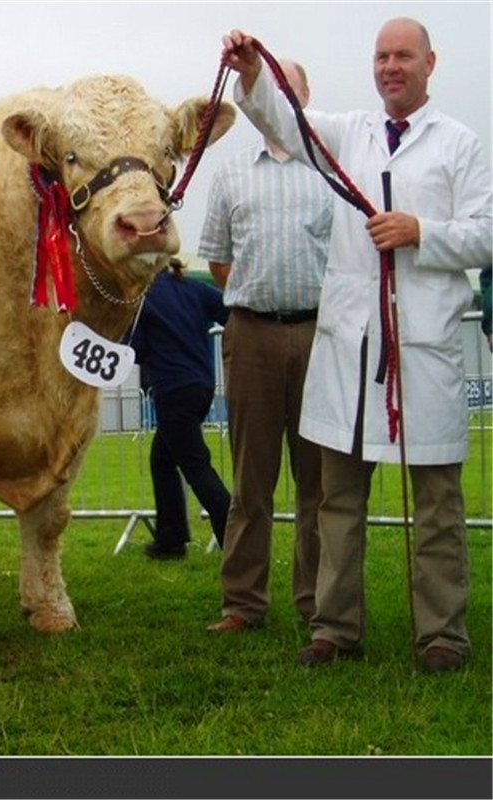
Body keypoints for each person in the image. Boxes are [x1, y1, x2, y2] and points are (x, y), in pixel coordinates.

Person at [222, 18, 493, 672]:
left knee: (435, 503)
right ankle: (335, 628)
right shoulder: (348, 134)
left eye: (403, 56)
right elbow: (287, 124)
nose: (390, 66)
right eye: (381, 56)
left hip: (422, 348)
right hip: (350, 350)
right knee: (338, 498)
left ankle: (441, 637)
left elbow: (485, 234)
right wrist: (253, 74)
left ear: (431, 62)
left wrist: (420, 231)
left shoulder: (460, 145)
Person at [198, 60, 332, 632]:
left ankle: (318, 601)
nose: (279, 99)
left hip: (321, 335)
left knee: (318, 481)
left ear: (306, 95)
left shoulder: (329, 170)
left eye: (288, 89)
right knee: (251, 480)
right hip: (250, 335)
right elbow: (218, 259)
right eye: (269, 90)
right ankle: (244, 605)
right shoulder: (230, 174)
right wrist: (262, 300)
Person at [130, 258, 231, 560]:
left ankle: (236, 540)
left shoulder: (142, 300)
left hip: (172, 389)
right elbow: (230, 311)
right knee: (162, 459)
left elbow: (133, 348)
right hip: (201, 386)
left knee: (196, 466)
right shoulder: (195, 289)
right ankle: (170, 538)